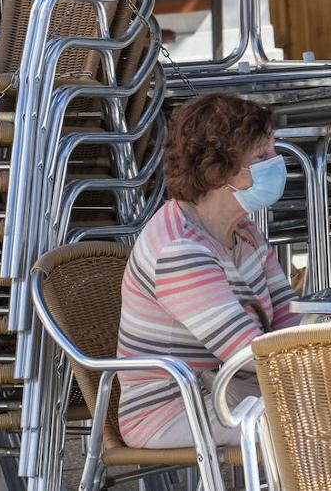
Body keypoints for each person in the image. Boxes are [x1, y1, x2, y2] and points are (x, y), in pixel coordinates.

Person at [117, 93, 299, 448]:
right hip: (173, 408)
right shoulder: (180, 248)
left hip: (226, 387)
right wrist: (329, 365)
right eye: (261, 157)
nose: (276, 163)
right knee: (317, 426)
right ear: (218, 172)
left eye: (273, 151)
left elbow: (286, 314)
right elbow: (245, 352)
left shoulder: (242, 229)